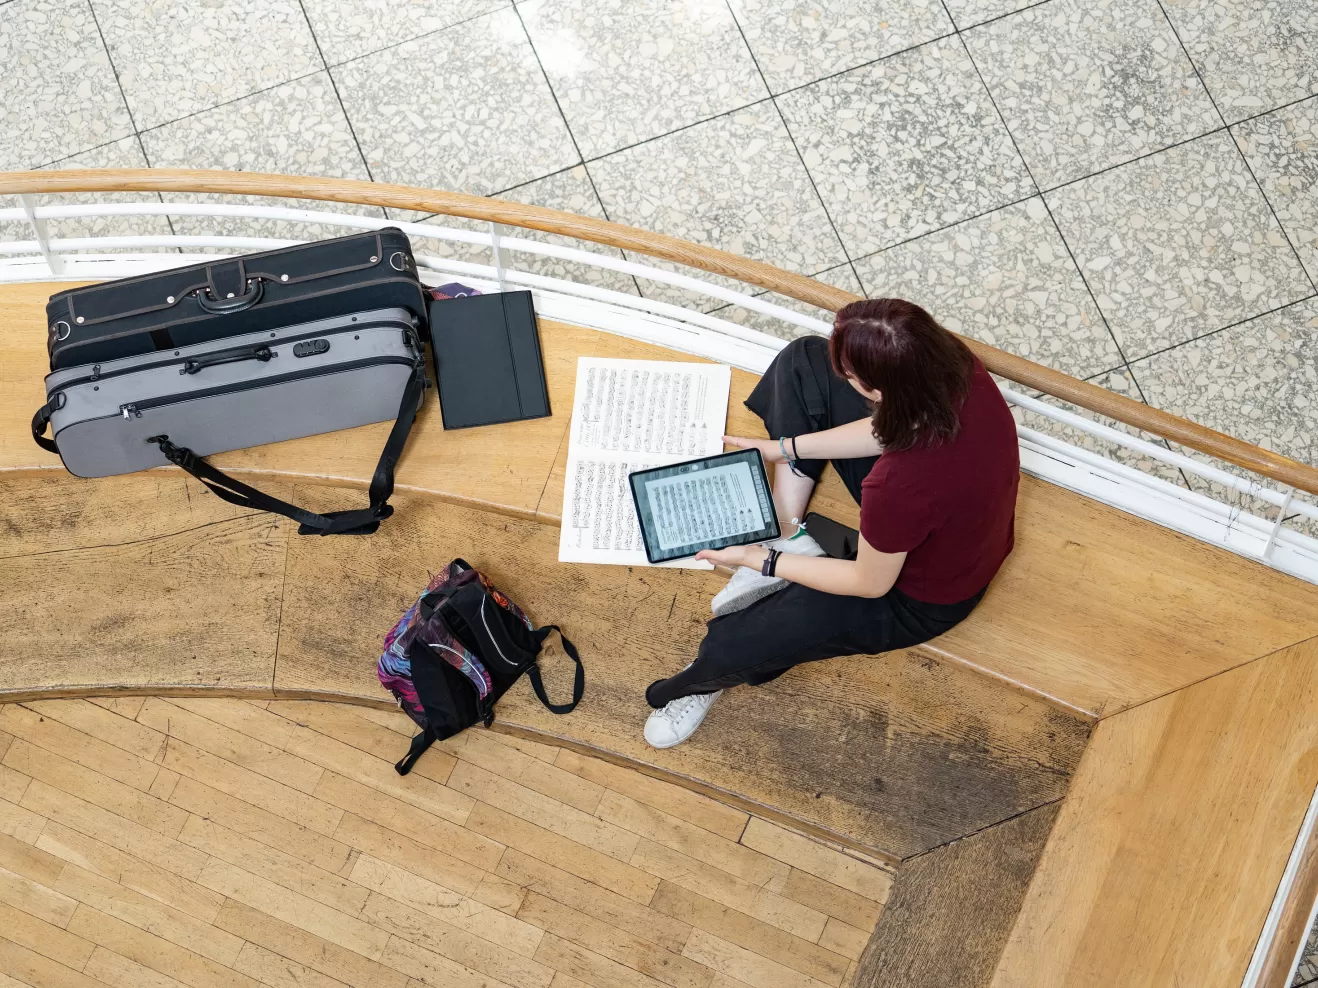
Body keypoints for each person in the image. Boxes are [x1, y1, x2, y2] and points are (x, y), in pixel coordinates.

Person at [643, 297, 1020, 748]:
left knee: (740, 641)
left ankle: (703, 678)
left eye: (854, 378)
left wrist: (757, 559)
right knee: (804, 359)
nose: (846, 377)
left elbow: (870, 583)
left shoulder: (899, 485)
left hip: (919, 594)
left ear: (881, 391)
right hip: (952, 521)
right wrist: (782, 448)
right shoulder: (953, 366)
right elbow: (890, 429)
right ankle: (787, 527)